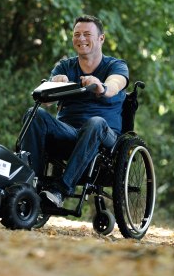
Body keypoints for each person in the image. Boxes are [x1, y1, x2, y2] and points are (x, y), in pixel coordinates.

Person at [21, 15, 129, 207]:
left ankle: (61, 189)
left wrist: (100, 85)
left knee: (95, 122)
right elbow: (44, 103)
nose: (81, 39)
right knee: (33, 113)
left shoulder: (115, 65)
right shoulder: (64, 66)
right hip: (68, 132)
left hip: (104, 136)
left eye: (87, 34)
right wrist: (53, 85)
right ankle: (30, 184)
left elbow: (114, 86)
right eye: (77, 34)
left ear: (101, 39)